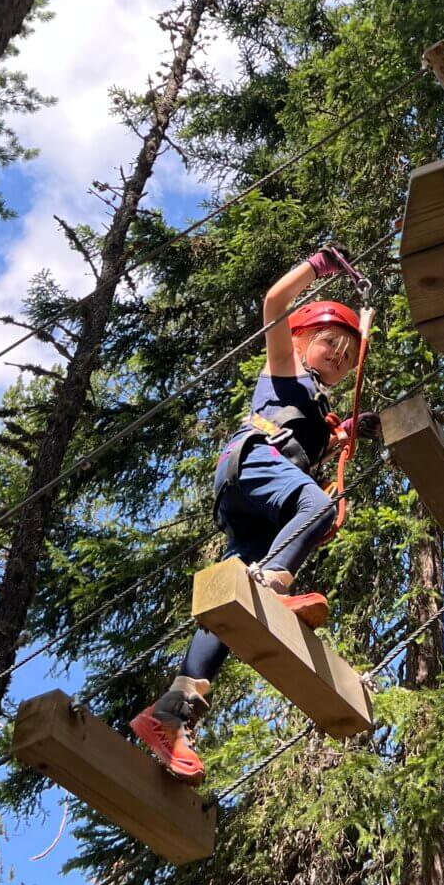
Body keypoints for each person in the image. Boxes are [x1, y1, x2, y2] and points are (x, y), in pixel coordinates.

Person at [130, 246, 373, 784]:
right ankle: (273, 581)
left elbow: (311, 448)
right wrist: (318, 266)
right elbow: (274, 302)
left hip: (255, 500)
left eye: (347, 355)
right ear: (302, 340)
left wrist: (349, 434)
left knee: (229, 603)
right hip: (251, 465)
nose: (338, 356)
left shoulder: (317, 414)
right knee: (317, 504)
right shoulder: (283, 375)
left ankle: (171, 711)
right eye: (330, 343)